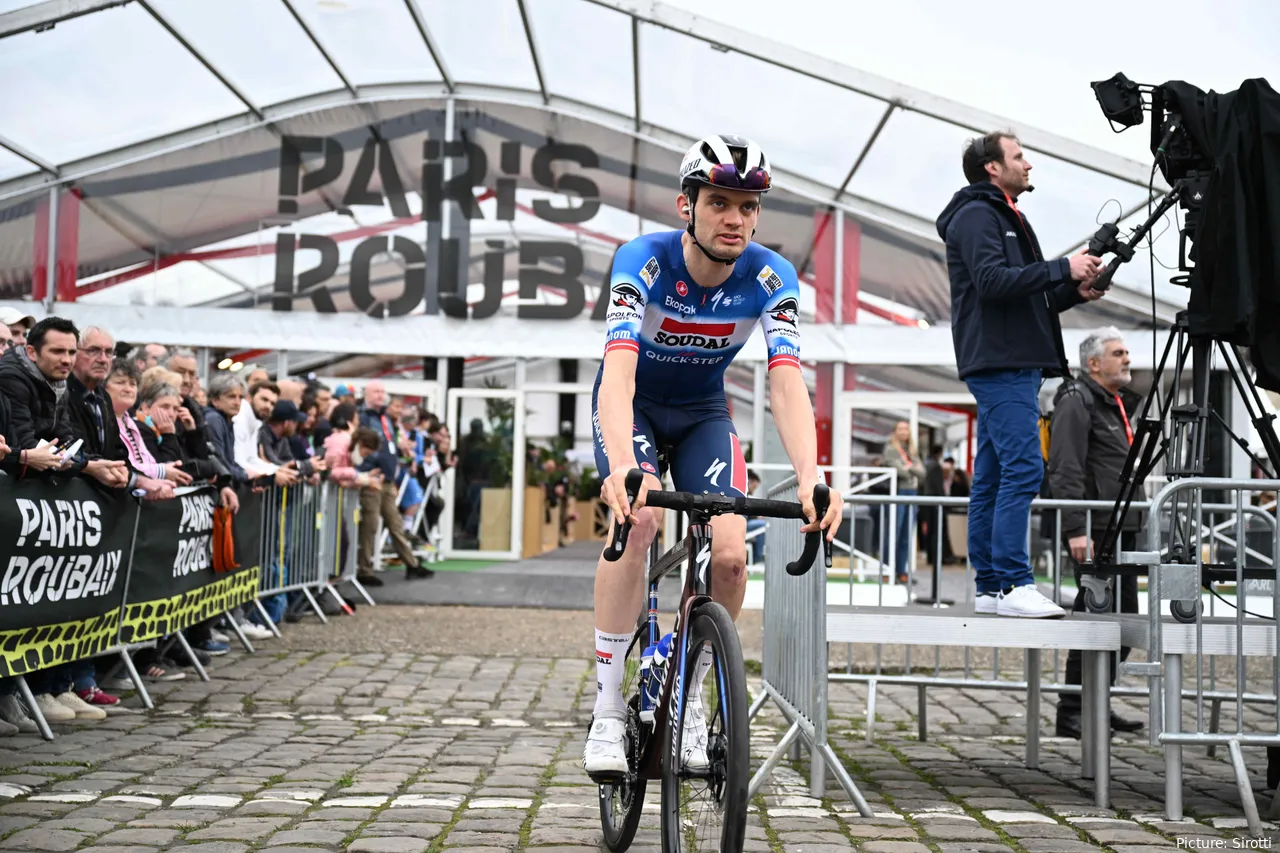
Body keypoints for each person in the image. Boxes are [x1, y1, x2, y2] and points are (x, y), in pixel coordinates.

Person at [583, 134, 842, 775]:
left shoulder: (771, 276)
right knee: (639, 520)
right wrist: (623, 464)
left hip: (703, 415)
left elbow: (786, 381)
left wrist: (812, 477)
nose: (736, 219)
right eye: (721, 202)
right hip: (635, 407)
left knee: (728, 558)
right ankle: (609, 709)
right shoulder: (640, 261)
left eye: (748, 207)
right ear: (686, 206)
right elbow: (617, 373)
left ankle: (687, 696)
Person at [936, 130, 1106, 618]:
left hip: (1010, 363)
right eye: (1019, 156)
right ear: (993, 167)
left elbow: (1030, 295)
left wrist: (1076, 288)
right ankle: (1013, 584)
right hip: (1001, 363)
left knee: (991, 477)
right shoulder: (976, 216)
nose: (1028, 164)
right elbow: (992, 282)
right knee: (1025, 469)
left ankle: (991, 587)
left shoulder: (1005, 216)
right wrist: (1061, 267)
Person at [1048, 328, 1144, 738]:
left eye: (1126, 352)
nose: (1127, 359)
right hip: (1096, 527)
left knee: (1120, 623)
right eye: (1118, 353)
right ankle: (1073, 710)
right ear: (1093, 363)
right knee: (1095, 620)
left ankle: (1094, 703)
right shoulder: (1077, 400)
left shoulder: (1114, 402)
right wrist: (1074, 526)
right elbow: (1065, 467)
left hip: (1120, 526)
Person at [883, 421, 926, 584]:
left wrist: (909, 467)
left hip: (912, 493)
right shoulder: (891, 449)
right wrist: (910, 468)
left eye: (906, 429)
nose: (903, 432)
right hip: (898, 492)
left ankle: (902, 571)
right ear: (895, 431)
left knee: (907, 535)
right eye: (900, 428)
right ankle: (887, 570)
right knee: (894, 532)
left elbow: (922, 472)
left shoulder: (912, 451)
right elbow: (900, 471)